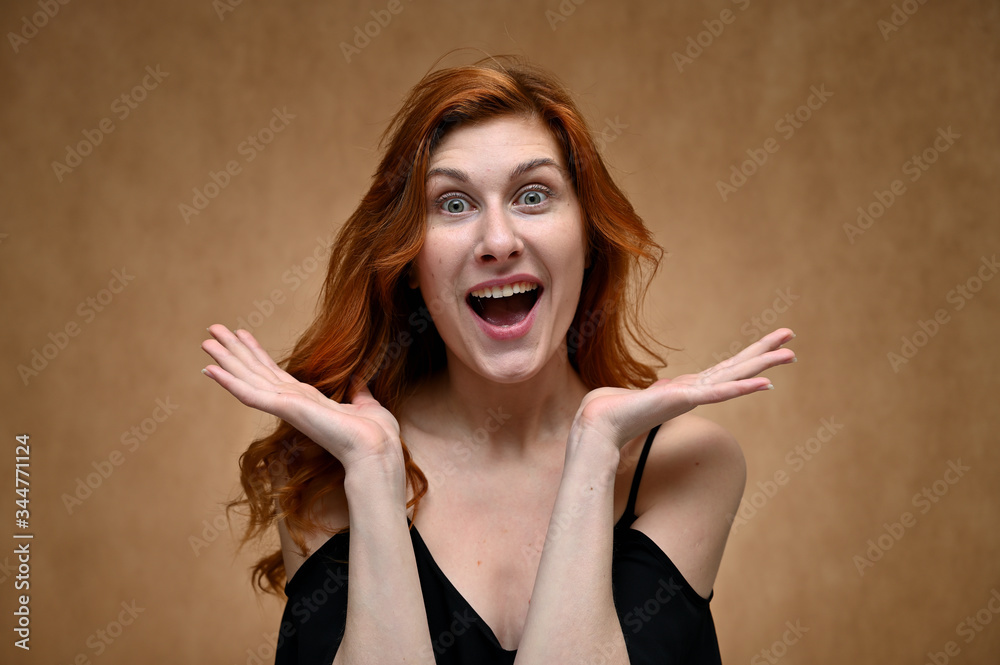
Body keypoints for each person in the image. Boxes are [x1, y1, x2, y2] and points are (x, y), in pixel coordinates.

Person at [200, 55, 796, 665]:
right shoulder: (326, 466)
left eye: (533, 195)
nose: (499, 242)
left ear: (588, 239)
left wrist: (593, 447)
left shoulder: (688, 463)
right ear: (408, 262)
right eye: (454, 204)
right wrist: (373, 471)